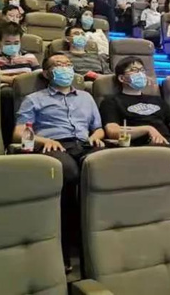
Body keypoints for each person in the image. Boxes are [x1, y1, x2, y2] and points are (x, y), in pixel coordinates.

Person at [14, 54, 105, 270]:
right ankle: (63, 250)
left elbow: (98, 128)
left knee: (107, 170)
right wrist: (44, 140)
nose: (65, 68)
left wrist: (96, 137)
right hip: (54, 145)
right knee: (70, 173)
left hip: (85, 144)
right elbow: (18, 133)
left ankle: (101, 246)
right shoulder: (34, 99)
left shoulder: (86, 97)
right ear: (47, 73)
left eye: (68, 64)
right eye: (58, 65)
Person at [99, 56, 170, 151]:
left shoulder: (157, 100)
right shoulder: (111, 101)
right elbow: (112, 130)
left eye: (142, 70)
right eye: (134, 70)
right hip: (142, 147)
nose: (140, 74)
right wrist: (147, 129)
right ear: (122, 78)